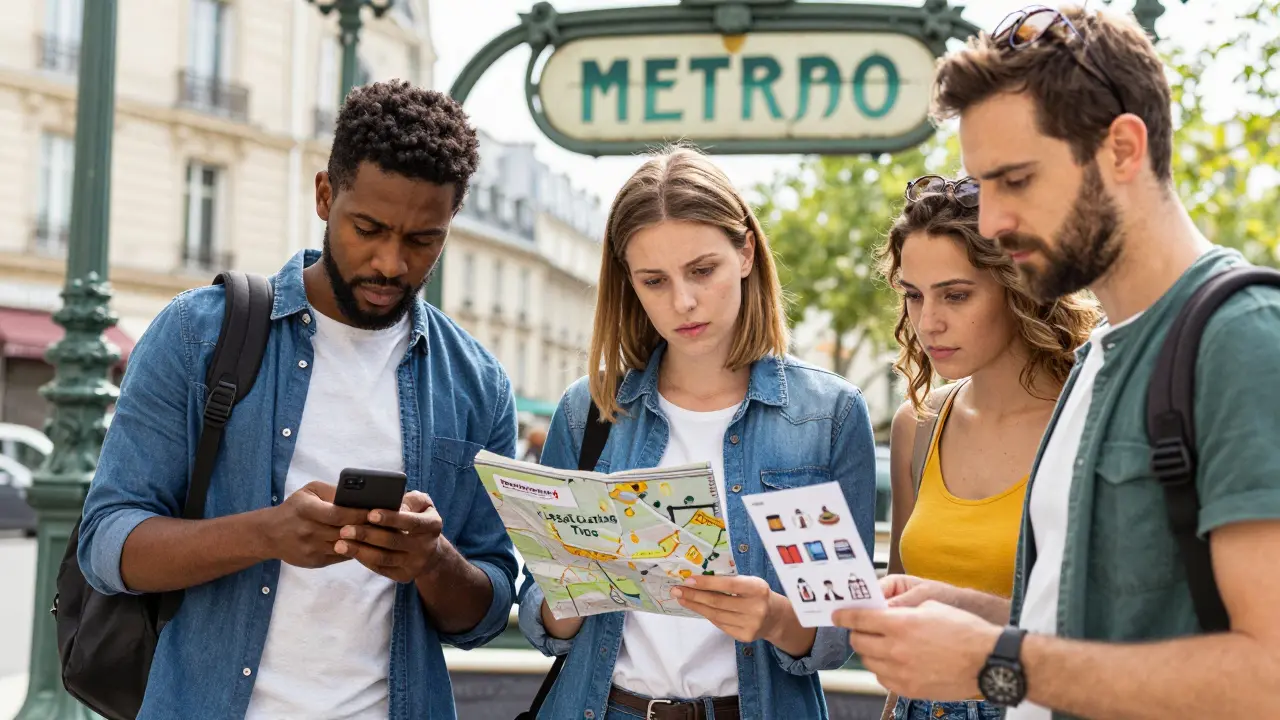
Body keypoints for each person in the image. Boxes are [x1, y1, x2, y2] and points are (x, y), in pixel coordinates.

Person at [835, 6, 1280, 719]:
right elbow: (1095, 626)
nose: (991, 222)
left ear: (1124, 150)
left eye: (1015, 180)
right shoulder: (1097, 360)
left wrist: (995, 661)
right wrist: (968, 610)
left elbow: (1269, 676)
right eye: (984, 187)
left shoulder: (1242, 338)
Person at [77, 81, 519, 719]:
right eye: (368, 228)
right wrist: (266, 533)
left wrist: (432, 560)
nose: (391, 263)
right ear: (324, 195)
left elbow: (483, 612)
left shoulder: (477, 382)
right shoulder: (198, 334)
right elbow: (107, 544)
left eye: (423, 240)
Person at [517, 147, 878, 719]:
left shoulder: (826, 415)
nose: (682, 301)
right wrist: (575, 590)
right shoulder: (588, 411)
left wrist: (776, 619)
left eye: (701, 270)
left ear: (746, 252)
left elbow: (843, 627)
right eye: (653, 281)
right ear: (629, 284)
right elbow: (545, 616)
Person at [877, 177, 1099, 720]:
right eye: (913, 295)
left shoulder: (1089, 421)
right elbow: (904, 630)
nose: (928, 322)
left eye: (956, 294)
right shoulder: (920, 425)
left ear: (1018, 286)